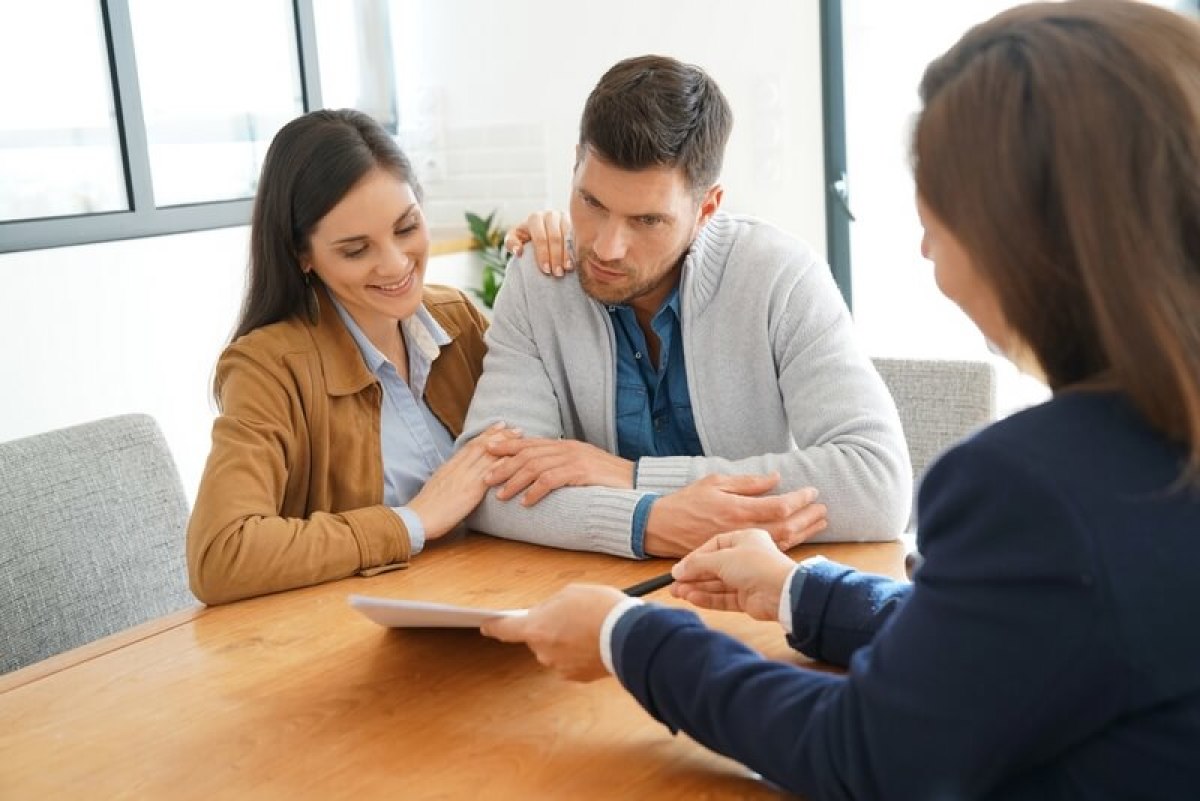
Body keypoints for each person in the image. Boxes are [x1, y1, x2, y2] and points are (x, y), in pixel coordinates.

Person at [481, 2, 1200, 798]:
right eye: (591, 204)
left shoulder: (1032, 486)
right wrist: (800, 589)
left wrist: (628, 632)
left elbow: (863, 752)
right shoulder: (1151, 449)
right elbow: (1002, 639)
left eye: (938, 214)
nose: (926, 250)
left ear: (1034, 239)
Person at [458, 55, 912, 560]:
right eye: (591, 203)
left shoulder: (780, 276)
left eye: (647, 221)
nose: (607, 247)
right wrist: (650, 522)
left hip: (754, 594)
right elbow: (483, 483)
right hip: (601, 597)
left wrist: (631, 477)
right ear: (575, 166)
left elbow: (877, 482)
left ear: (707, 208)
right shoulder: (540, 278)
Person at [187, 109, 518, 605]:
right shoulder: (269, 367)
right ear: (304, 255)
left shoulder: (457, 319)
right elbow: (222, 555)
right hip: (351, 640)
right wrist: (415, 520)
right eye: (356, 249)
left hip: (493, 596)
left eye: (406, 228)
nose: (395, 263)